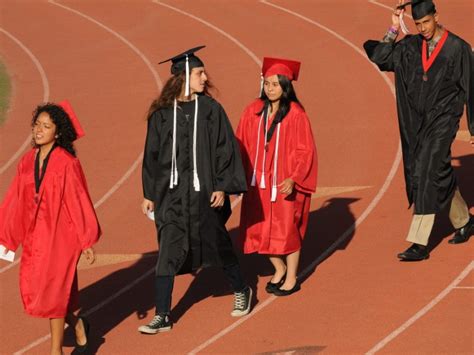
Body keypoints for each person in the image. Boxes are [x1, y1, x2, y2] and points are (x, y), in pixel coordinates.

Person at [139, 46, 251, 334]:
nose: (205, 77)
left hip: (204, 195)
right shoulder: (162, 115)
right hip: (172, 197)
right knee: (167, 251)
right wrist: (149, 193)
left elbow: (225, 149)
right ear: (184, 77)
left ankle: (241, 289)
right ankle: (162, 314)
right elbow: (152, 155)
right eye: (200, 73)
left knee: (219, 244)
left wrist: (224, 186)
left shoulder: (211, 110)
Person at [364, 0, 473, 261]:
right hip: (417, 122)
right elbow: (380, 57)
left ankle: (419, 242)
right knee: (439, 169)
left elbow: (472, 87)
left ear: (436, 16)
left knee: (425, 170)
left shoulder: (458, 48)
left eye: (426, 22)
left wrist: (473, 127)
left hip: (444, 119)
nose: (423, 28)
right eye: (418, 23)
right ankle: (464, 221)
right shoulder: (411, 46)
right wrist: (393, 30)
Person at [0, 101, 100, 355]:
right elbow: (15, 200)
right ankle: (78, 325)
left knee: (54, 291)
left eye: (46, 126)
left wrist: (86, 239)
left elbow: (78, 200)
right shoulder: (26, 161)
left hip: (62, 236)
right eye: (37, 125)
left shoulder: (66, 163)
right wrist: (7, 238)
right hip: (37, 237)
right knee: (45, 292)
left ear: (58, 132)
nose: (39, 130)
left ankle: (55, 351)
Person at [236, 57, 317, 296]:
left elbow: (306, 150)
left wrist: (294, 178)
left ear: (286, 87)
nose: (270, 88)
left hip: (284, 184)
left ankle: (292, 277)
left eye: (275, 84)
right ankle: (279, 268)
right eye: (267, 84)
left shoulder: (296, 114)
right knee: (259, 229)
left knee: (287, 230)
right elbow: (240, 142)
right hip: (258, 183)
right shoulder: (253, 111)